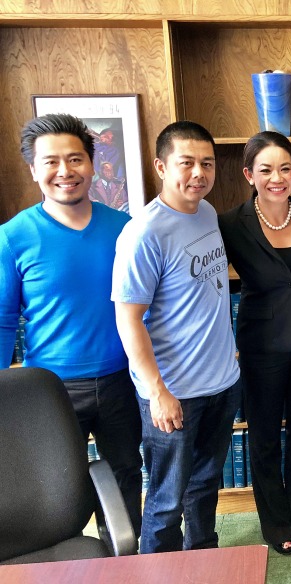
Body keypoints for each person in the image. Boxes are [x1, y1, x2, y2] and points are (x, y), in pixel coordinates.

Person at [0, 113, 143, 535]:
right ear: (33, 169)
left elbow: (145, 308)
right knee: (59, 490)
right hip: (52, 388)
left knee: (126, 474)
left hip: (122, 380)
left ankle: (125, 563)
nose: (65, 171)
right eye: (51, 162)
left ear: (92, 164)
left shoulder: (125, 228)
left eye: (76, 159)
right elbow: (4, 319)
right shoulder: (12, 236)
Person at [112, 120, 241, 554]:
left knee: (206, 485)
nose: (199, 173)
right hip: (174, 393)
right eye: (186, 163)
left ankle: (202, 557)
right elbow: (128, 320)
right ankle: (157, 571)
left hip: (222, 382)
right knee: (167, 500)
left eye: (207, 163)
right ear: (161, 166)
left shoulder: (205, 212)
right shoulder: (144, 232)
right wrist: (157, 392)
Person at [218, 131, 291, 555]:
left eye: (284, 168)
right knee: (262, 437)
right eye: (265, 170)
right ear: (249, 174)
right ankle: (276, 523)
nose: (276, 177)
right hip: (260, 346)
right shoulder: (229, 223)